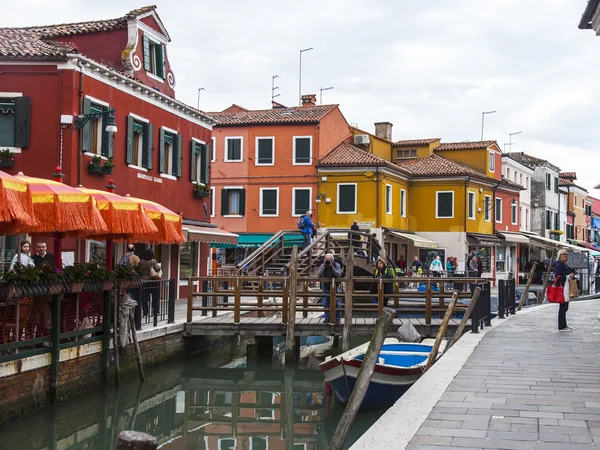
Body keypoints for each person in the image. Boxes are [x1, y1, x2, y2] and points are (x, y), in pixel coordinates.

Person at [554, 249, 576, 331]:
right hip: (562, 288)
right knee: (563, 307)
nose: (565, 257)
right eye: (563, 255)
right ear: (560, 256)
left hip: (566, 287)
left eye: (566, 255)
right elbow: (558, 277)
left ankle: (564, 325)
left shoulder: (564, 265)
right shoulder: (559, 265)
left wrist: (572, 275)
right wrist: (567, 276)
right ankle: (561, 325)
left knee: (565, 307)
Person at [317, 253, 342, 323]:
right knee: (325, 302)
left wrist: (332, 267)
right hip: (325, 284)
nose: (328, 261)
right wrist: (323, 267)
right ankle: (327, 317)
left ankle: (338, 318)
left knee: (336, 302)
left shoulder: (336, 265)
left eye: (329, 259)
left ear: (332, 259)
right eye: (326, 259)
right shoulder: (323, 265)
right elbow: (319, 275)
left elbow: (338, 275)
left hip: (335, 285)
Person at [138, 249, 161, 317]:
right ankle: (155, 311)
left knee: (144, 298)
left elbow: (139, 270)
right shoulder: (153, 261)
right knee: (155, 297)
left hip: (144, 281)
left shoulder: (141, 262)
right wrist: (157, 264)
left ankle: (145, 312)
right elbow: (157, 269)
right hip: (152, 281)